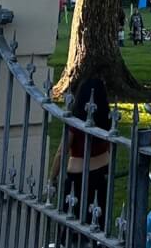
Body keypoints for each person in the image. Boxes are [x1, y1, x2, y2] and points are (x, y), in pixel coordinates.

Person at [53, 77, 112, 237]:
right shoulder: (106, 121)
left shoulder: (76, 122)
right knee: (97, 227)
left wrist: (52, 178)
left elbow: (61, 152)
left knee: (71, 224)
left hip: (77, 176)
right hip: (101, 173)